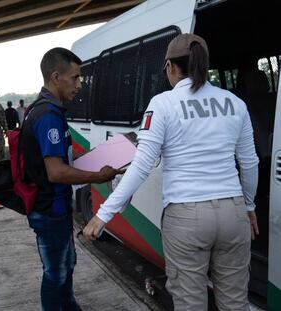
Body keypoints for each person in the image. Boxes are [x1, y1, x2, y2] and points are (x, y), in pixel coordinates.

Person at [83, 34, 260, 311]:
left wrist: (103, 214)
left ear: (170, 67)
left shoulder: (163, 104)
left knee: (191, 303)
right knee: (236, 303)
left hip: (187, 217)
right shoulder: (234, 103)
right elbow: (249, 163)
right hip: (233, 213)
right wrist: (248, 207)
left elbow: (142, 165)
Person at [20, 47, 123, 311]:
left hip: (54, 207)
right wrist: (98, 176)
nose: (80, 84)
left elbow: (60, 159)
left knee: (65, 266)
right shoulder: (48, 117)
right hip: (50, 209)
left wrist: (92, 158)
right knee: (56, 272)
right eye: (75, 78)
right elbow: (56, 171)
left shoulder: (45, 109)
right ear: (56, 77)